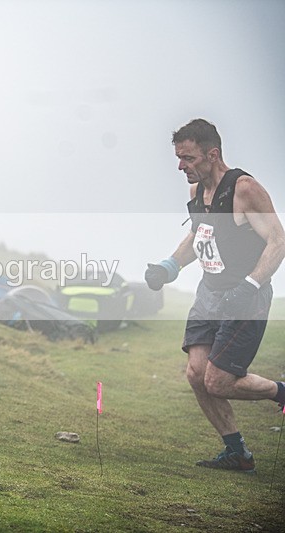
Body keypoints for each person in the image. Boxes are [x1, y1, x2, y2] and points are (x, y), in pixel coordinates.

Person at [145, 118, 285, 473]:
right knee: (196, 374)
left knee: (218, 380)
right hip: (209, 294)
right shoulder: (195, 193)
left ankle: (280, 392)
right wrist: (168, 267)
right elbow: (199, 237)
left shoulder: (244, 189)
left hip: (245, 299)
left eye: (188, 158)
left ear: (212, 154)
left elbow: (278, 241)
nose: (181, 166)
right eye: (178, 158)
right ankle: (237, 452)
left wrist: (251, 285)